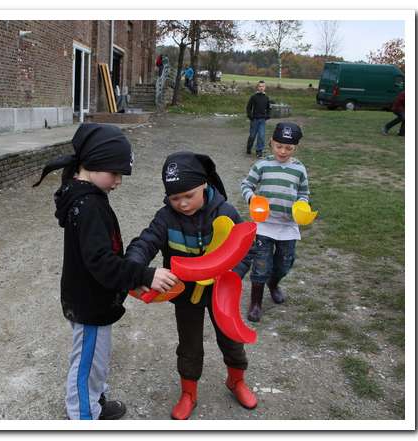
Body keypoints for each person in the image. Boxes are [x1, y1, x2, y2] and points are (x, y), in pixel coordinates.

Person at [32, 123, 178, 420]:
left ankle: (94, 402)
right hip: (89, 302)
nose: (119, 181)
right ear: (94, 164)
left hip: (94, 296)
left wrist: (128, 280)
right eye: (116, 173)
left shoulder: (85, 197)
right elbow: (100, 261)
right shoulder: (88, 206)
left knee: (96, 361)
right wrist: (145, 275)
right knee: (86, 363)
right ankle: (84, 417)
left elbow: (99, 258)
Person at [125, 151, 258, 420]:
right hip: (186, 293)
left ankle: (236, 380)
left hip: (221, 290)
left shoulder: (226, 213)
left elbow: (247, 247)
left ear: (205, 185)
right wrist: (136, 270)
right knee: (189, 344)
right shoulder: (166, 218)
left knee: (231, 338)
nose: (183, 204)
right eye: (175, 198)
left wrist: (233, 273)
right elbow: (145, 242)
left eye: (189, 195)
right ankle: (189, 392)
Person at [239, 122, 310, 322]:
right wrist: (252, 198)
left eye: (289, 148)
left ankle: (274, 283)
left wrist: (302, 205)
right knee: (261, 264)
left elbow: (304, 192)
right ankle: (256, 302)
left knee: (284, 263)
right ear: (271, 142)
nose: (283, 151)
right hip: (264, 225)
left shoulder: (299, 169)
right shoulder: (262, 165)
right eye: (279, 146)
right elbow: (246, 184)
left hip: (287, 225)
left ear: (296, 148)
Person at [245, 80, 272, 158]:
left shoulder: (266, 97)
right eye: (260, 86)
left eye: (263, 86)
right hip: (255, 120)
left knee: (261, 135)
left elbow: (269, 108)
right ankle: (249, 148)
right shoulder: (254, 97)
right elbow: (248, 107)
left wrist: (268, 115)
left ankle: (259, 151)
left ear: (265, 87)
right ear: (257, 87)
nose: (261, 88)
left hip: (262, 120)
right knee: (252, 136)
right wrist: (250, 116)